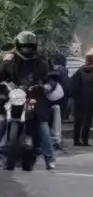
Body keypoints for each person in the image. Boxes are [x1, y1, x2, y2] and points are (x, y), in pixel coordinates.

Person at [0, 31, 53, 169]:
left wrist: (45, 86)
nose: (26, 49)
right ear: (18, 45)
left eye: (29, 46)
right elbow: (2, 76)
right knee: (1, 120)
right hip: (13, 95)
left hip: (33, 96)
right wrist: (5, 86)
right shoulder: (9, 60)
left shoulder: (41, 60)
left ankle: (49, 158)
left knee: (42, 125)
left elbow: (49, 78)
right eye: (24, 46)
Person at [70, 54, 93, 147]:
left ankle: (76, 140)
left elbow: (73, 87)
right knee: (87, 121)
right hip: (91, 101)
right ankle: (85, 140)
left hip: (79, 101)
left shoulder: (79, 73)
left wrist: (76, 98)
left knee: (78, 121)